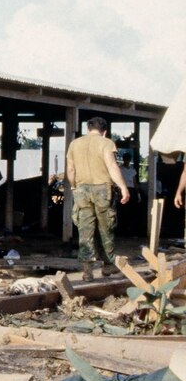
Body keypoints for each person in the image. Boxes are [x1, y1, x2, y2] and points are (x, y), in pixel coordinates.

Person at [66, 116, 129, 280]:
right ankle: (108, 266)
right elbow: (112, 166)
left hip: (81, 190)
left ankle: (87, 272)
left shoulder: (74, 144)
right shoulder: (106, 143)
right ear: (105, 131)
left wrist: (73, 187)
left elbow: (70, 170)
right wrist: (123, 187)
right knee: (105, 228)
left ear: (88, 129)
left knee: (85, 230)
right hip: (102, 189)